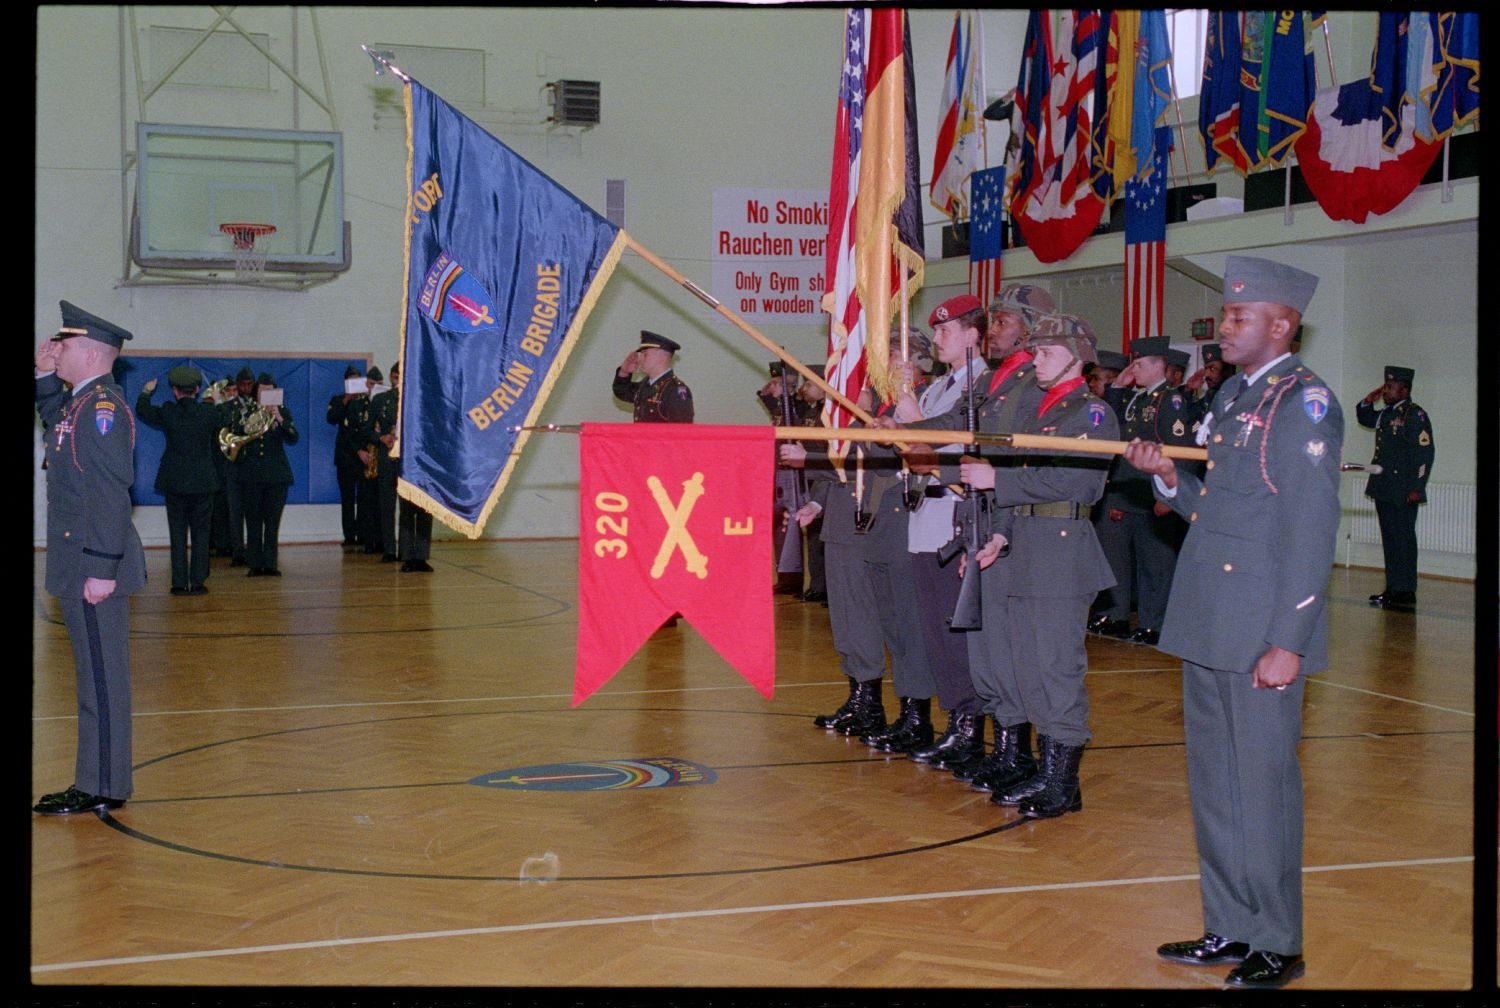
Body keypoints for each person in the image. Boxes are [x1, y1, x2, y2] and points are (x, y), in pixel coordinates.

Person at [1126, 254, 1339, 990]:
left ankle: (1278, 938)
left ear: (1283, 324)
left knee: (1264, 786)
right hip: (1212, 620)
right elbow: (1219, 512)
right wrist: (1167, 480)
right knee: (1216, 784)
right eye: (1226, 313)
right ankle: (1231, 926)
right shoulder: (1230, 400)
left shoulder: (1303, 403)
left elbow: (1310, 529)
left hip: (1260, 629)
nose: (1226, 324)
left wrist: (1290, 641)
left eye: (1241, 316)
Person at [957, 311, 1117, 817]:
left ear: (1076, 358)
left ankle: (1062, 782)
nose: (1036, 360)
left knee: (1054, 670)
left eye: (1046, 353)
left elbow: (1080, 484)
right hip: (1025, 546)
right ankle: (1043, 770)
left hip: (1061, 554)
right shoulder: (1039, 413)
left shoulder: (1091, 414)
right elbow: (1020, 487)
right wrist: (1000, 532)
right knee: (1026, 668)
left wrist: (996, 483)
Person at [33, 301, 147, 815]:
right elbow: (55, 427)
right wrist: (42, 376)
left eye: (65, 345)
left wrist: (101, 569)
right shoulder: (79, 403)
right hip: (78, 558)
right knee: (92, 679)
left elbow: (108, 491)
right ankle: (96, 779)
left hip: (93, 563)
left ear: (91, 353)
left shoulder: (102, 410)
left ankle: (102, 785)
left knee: (103, 681)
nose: (56, 351)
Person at [878, 295, 989, 757]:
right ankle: (955, 721)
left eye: (947, 330)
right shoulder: (940, 386)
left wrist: (911, 412)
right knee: (935, 632)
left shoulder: (983, 385)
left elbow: (950, 445)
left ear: (972, 335)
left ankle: (970, 726)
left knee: (957, 631)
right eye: (938, 330)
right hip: (925, 517)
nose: (938, 338)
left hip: (955, 517)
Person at [1089, 336, 1200, 645]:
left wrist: (1170, 495)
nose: (1133, 369)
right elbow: (1109, 424)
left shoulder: (1170, 400)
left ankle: (1154, 622)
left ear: (1157, 366)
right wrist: (1119, 388)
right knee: (1119, 560)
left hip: (1154, 495)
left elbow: (1180, 449)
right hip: (1128, 492)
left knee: (1155, 564)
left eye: (1138, 364)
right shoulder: (1138, 398)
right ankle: (1118, 615)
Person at [136, 365, 226, 595]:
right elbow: (226, 417)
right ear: (197, 389)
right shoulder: (209, 413)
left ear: (175, 391)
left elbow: (143, 410)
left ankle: (178, 583)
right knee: (201, 533)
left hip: (174, 481)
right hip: (203, 482)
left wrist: (146, 391)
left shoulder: (168, 411)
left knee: (177, 533)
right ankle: (197, 582)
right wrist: (217, 399)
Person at [1357, 366, 1433, 612]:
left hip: (1403, 490)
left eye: (1391, 387)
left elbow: (1424, 454)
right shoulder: (1387, 414)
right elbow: (1366, 418)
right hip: (1385, 488)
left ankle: (1405, 591)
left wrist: (1417, 487)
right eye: (1386, 386)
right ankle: (1393, 588)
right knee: (1390, 540)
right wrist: (1368, 402)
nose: (1386, 391)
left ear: (1405, 389)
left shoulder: (1415, 415)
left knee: (1403, 541)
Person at [372, 361, 434, 572]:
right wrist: (382, 437)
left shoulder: (423, 398)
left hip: (417, 459)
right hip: (390, 458)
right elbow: (367, 429)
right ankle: (401, 553)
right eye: (399, 376)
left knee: (423, 507)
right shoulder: (382, 399)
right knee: (397, 508)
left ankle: (421, 556)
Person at [235, 372, 299, 576]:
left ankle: (270, 564)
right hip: (252, 475)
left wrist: (278, 417)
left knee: (272, 523)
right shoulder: (246, 411)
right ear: (257, 391)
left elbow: (293, 436)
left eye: (270, 390)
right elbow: (238, 432)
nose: (266, 393)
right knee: (253, 522)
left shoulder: (282, 412)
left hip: (276, 476)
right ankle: (255, 563)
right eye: (263, 390)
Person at [327, 364, 371, 550]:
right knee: (347, 499)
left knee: (363, 498)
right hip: (345, 457)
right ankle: (349, 535)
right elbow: (331, 418)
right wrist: (346, 400)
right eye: (350, 381)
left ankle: (362, 534)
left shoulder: (367, 402)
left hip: (362, 458)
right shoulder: (338, 399)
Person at [612, 330, 693, 422]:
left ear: (660, 357)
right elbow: (622, 392)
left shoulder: (675, 390)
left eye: (645, 354)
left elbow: (682, 432)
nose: (640, 358)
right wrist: (624, 371)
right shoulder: (646, 385)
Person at [222, 365, 259, 566]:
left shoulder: (258, 406)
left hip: (253, 466)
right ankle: (238, 552)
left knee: (253, 512)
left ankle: (253, 551)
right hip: (234, 467)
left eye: (249, 384)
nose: (246, 388)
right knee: (235, 512)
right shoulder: (229, 407)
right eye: (242, 384)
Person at [355, 367, 385, 554]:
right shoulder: (358, 405)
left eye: (379, 385)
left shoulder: (384, 403)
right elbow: (353, 432)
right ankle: (368, 541)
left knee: (381, 502)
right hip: (364, 456)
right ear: (367, 385)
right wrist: (360, 450)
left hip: (380, 456)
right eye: (373, 384)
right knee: (366, 502)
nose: (375, 388)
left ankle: (381, 541)